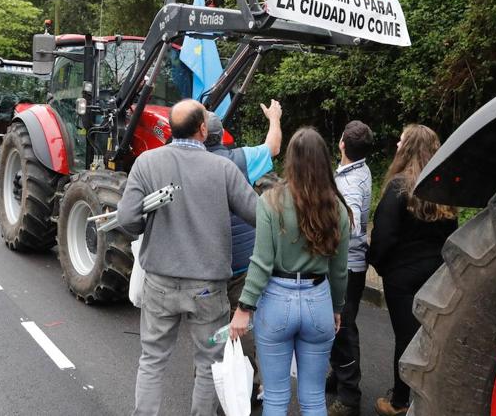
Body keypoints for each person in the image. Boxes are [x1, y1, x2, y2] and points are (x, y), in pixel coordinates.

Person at [117, 99, 258, 416]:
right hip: (208, 287)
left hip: (160, 283)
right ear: (203, 129)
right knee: (209, 361)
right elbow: (260, 216)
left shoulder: (147, 163)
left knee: (152, 359)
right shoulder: (223, 168)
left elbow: (126, 220)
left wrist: (146, 221)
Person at [230, 127, 351, 416]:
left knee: (275, 398)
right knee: (312, 399)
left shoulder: (270, 202)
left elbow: (261, 261)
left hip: (276, 301)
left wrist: (244, 307)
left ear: (290, 161)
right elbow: (340, 270)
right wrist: (337, 308)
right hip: (318, 301)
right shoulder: (337, 208)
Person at [368, 124, 458, 416]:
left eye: (401, 140)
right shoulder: (442, 188)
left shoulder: (399, 186)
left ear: (408, 148)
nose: (396, 143)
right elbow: (452, 234)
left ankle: (400, 401)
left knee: (406, 339)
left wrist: (379, 265)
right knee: (430, 338)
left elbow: (384, 236)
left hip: (401, 277)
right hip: (435, 274)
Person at [203, 100, 282, 401]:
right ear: (222, 136)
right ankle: (248, 386)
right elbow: (273, 146)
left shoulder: (188, 165)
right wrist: (274, 118)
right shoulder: (242, 158)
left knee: (210, 326)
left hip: (208, 264)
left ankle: (212, 383)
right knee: (242, 322)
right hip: (243, 260)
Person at [328, 121, 374, 416]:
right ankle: (339, 376)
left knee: (343, 329)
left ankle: (349, 397)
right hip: (352, 265)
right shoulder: (357, 171)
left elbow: (354, 225)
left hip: (347, 266)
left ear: (342, 144)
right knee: (339, 327)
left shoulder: (350, 183)